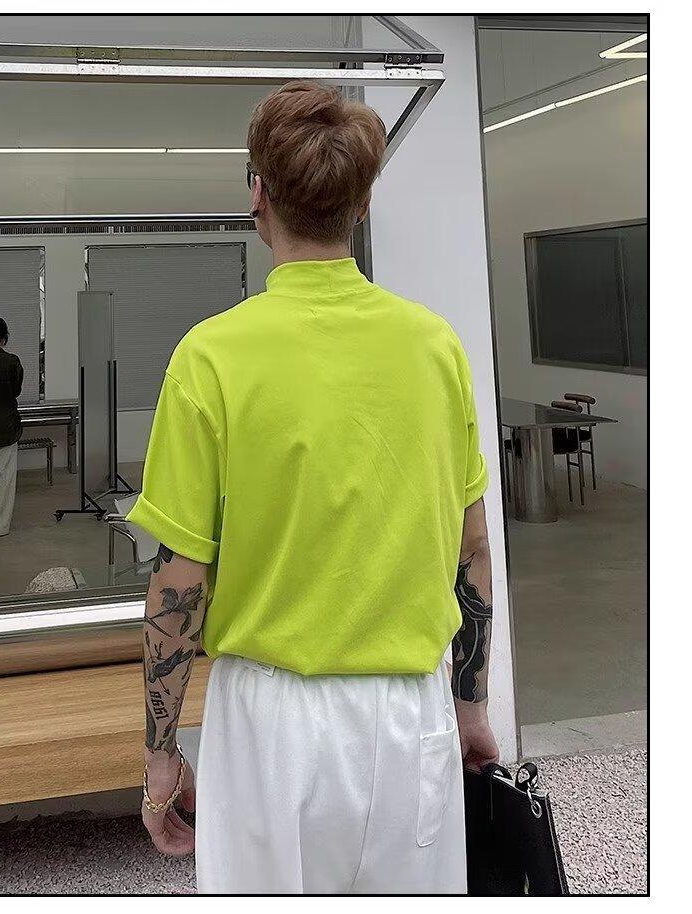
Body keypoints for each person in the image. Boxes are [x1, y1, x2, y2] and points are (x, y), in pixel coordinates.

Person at [129, 81, 499, 895]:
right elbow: (471, 547)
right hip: (412, 711)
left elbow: (179, 578)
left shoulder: (210, 357)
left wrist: (161, 752)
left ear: (258, 195)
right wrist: (471, 706)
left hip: (270, 724)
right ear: (362, 204)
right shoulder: (436, 348)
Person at [0, 314, 23, 537]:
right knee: (3, 480)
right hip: (5, 428)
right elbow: (16, 391)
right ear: (4, 336)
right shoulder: (12, 362)